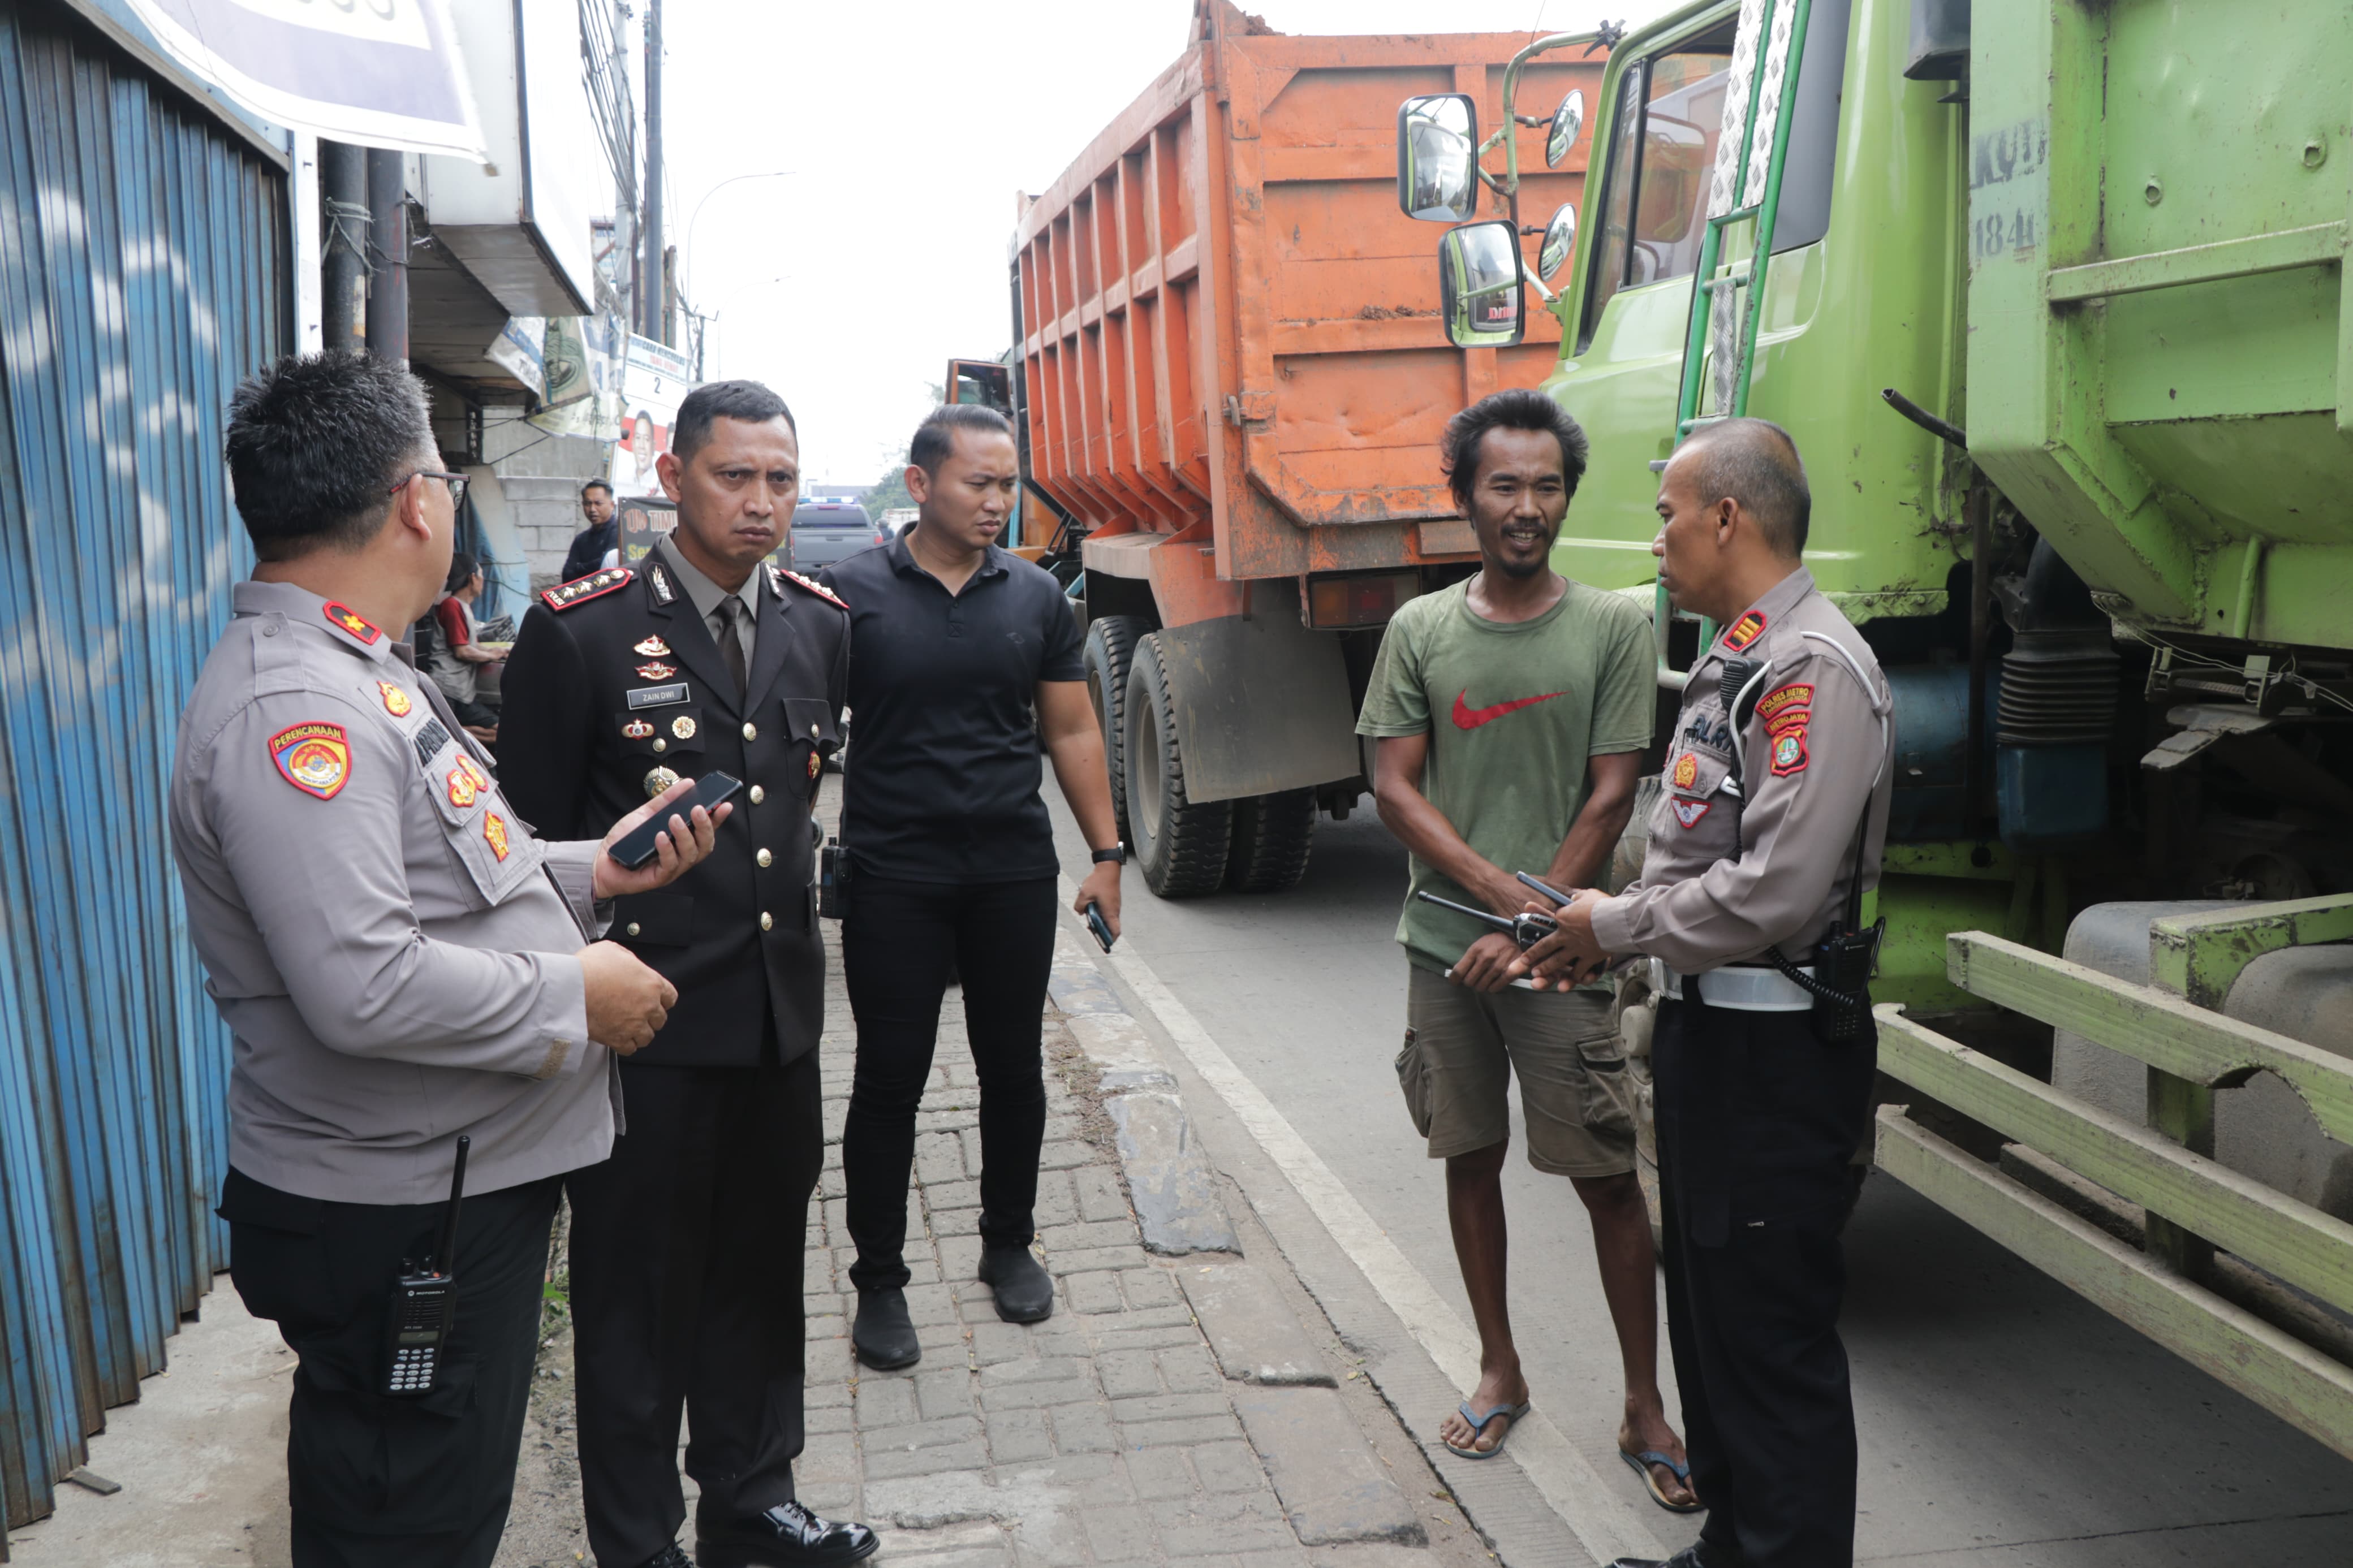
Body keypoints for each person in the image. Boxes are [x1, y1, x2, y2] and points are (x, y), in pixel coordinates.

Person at [173, 351, 726, 1568]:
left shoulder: (363, 667)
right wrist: (577, 995)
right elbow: (361, 983)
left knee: (437, 1502)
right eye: (442, 481)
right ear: (418, 501)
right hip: (399, 1209)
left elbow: (448, 880)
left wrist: (595, 874)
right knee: (408, 1523)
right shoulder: (297, 712)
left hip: (440, 1182)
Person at [499, 379, 874, 1568]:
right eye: (734, 476)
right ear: (674, 476)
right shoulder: (584, 628)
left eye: (780, 479)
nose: (762, 503)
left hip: (776, 1022)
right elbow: (527, 856)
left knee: (761, 1276)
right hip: (646, 1030)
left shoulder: (820, 618)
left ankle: (753, 1500)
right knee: (632, 1301)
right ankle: (638, 1539)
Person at [1510, 419, 1894, 1568]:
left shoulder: (1813, 670)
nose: (1659, 534)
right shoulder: (1741, 652)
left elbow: (1775, 887)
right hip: (1707, 1038)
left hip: (1775, 1059)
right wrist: (1601, 930)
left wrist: (1611, 927)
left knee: (1770, 1338)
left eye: (1671, 510)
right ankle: (1734, 1546)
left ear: (1729, 516)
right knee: (1713, 1319)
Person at [1354, 389, 1693, 1504]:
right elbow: (1394, 789)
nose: (1526, 506)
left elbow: (1610, 796)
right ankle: (1499, 1367)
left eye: (1546, 485)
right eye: (1504, 484)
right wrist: (1507, 908)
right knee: (1469, 1158)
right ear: (1466, 496)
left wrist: (1539, 930)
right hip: (1447, 951)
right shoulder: (1420, 631)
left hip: (1563, 953)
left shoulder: (1610, 625)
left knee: (1604, 1175)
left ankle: (1646, 1404)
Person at [817, 404, 1123, 1370]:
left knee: (1011, 1067)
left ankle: (1007, 1240)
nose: (997, 501)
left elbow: (1070, 731)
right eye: (977, 484)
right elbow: (805, 736)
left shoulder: (1033, 596)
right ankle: (878, 1277)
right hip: (893, 872)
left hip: (1009, 870)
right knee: (889, 1078)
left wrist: (1107, 855)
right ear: (921, 484)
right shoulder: (848, 593)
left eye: (1006, 484)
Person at [424, 550, 505, 741]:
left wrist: (499, 651)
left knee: (498, 731)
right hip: (448, 688)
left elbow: (472, 645)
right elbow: (463, 651)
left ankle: (454, 732)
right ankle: (451, 733)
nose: (483, 582)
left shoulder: (463, 606)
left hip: (462, 692)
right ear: (473, 578)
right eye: (482, 576)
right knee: (448, 734)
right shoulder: (452, 606)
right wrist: (493, 655)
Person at [563, 479, 620, 582]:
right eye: (587, 504)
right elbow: (567, 574)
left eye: (598, 503)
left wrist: (579, 567)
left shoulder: (619, 533)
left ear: (612, 505)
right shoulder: (581, 539)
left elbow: (606, 565)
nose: (592, 509)